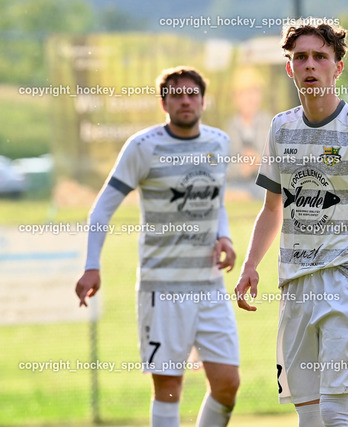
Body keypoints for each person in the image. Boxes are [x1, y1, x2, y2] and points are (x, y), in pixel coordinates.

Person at [234, 19, 348, 427]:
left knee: (336, 413)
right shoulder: (281, 128)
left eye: (320, 57)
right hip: (294, 287)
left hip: (346, 284)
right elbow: (272, 209)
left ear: (338, 67)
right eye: (300, 57)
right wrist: (250, 264)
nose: (310, 65)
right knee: (309, 417)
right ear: (289, 68)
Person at [75, 66, 240, 427]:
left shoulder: (219, 142)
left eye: (192, 94)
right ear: (164, 103)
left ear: (203, 101)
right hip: (162, 289)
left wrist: (224, 236)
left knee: (228, 384)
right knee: (168, 388)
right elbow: (101, 209)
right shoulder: (142, 147)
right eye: (176, 95)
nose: (186, 101)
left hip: (210, 287)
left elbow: (216, 201)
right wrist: (91, 265)